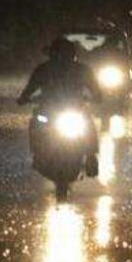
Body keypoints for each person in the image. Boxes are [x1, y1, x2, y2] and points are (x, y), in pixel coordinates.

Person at [17, 38, 103, 177]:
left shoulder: (82, 70)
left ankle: (91, 156)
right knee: (36, 122)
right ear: (52, 54)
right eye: (59, 54)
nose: (63, 57)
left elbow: (96, 91)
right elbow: (30, 88)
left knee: (87, 124)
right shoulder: (43, 69)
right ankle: (37, 152)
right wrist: (23, 98)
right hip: (48, 111)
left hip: (75, 109)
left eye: (66, 53)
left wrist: (96, 97)